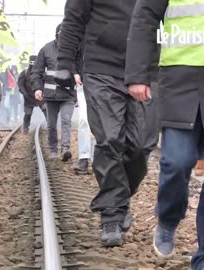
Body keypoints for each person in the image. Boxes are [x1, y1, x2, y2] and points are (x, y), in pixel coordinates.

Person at [126, 1, 204, 269]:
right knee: (176, 161)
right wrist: (137, 74)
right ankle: (168, 218)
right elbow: (145, 16)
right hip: (181, 78)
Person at [55, 1, 158, 247]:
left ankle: (119, 197)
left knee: (142, 144)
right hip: (102, 66)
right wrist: (64, 63)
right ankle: (111, 214)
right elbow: (73, 21)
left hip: (147, 68)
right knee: (111, 139)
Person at [32, 24, 75, 162]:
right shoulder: (46, 49)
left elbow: (79, 70)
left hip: (68, 94)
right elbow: (36, 71)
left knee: (66, 122)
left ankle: (65, 149)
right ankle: (53, 150)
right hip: (50, 96)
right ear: (57, 35)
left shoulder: (73, 50)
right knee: (51, 124)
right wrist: (37, 88)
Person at [73, 39, 91, 175]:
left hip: (107, 82)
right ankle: (84, 157)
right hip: (83, 84)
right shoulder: (82, 30)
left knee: (103, 122)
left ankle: (100, 159)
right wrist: (75, 72)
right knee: (84, 120)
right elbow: (73, 52)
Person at [18, 55, 47, 134]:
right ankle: (25, 128)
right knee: (27, 114)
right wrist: (25, 94)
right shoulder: (24, 73)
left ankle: (51, 128)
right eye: (31, 63)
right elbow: (20, 85)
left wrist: (43, 92)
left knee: (46, 110)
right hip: (29, 98)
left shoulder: (42, 73)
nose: (33, 65)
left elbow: (46, 83)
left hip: (40, 96)